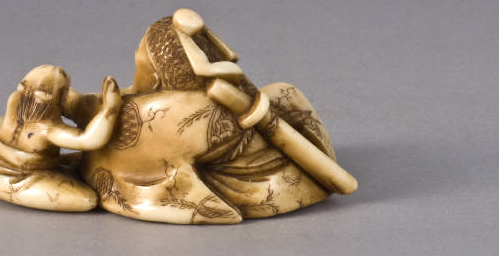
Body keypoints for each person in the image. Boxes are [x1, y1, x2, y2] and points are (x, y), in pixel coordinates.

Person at [79, 11, 338, 224]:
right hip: (285, 163)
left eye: (138, 59)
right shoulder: (247, 93)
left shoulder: (158, 112)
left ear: (156, 79)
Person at [0, 65, 122, 211]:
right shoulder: (48, 128)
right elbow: (88, 139)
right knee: (88, 199)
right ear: (61, 98)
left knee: (84, 159)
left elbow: (69, 102)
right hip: (20, 177)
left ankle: (64, 165)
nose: (28, 96)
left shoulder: (15, 98)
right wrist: (110, 109)